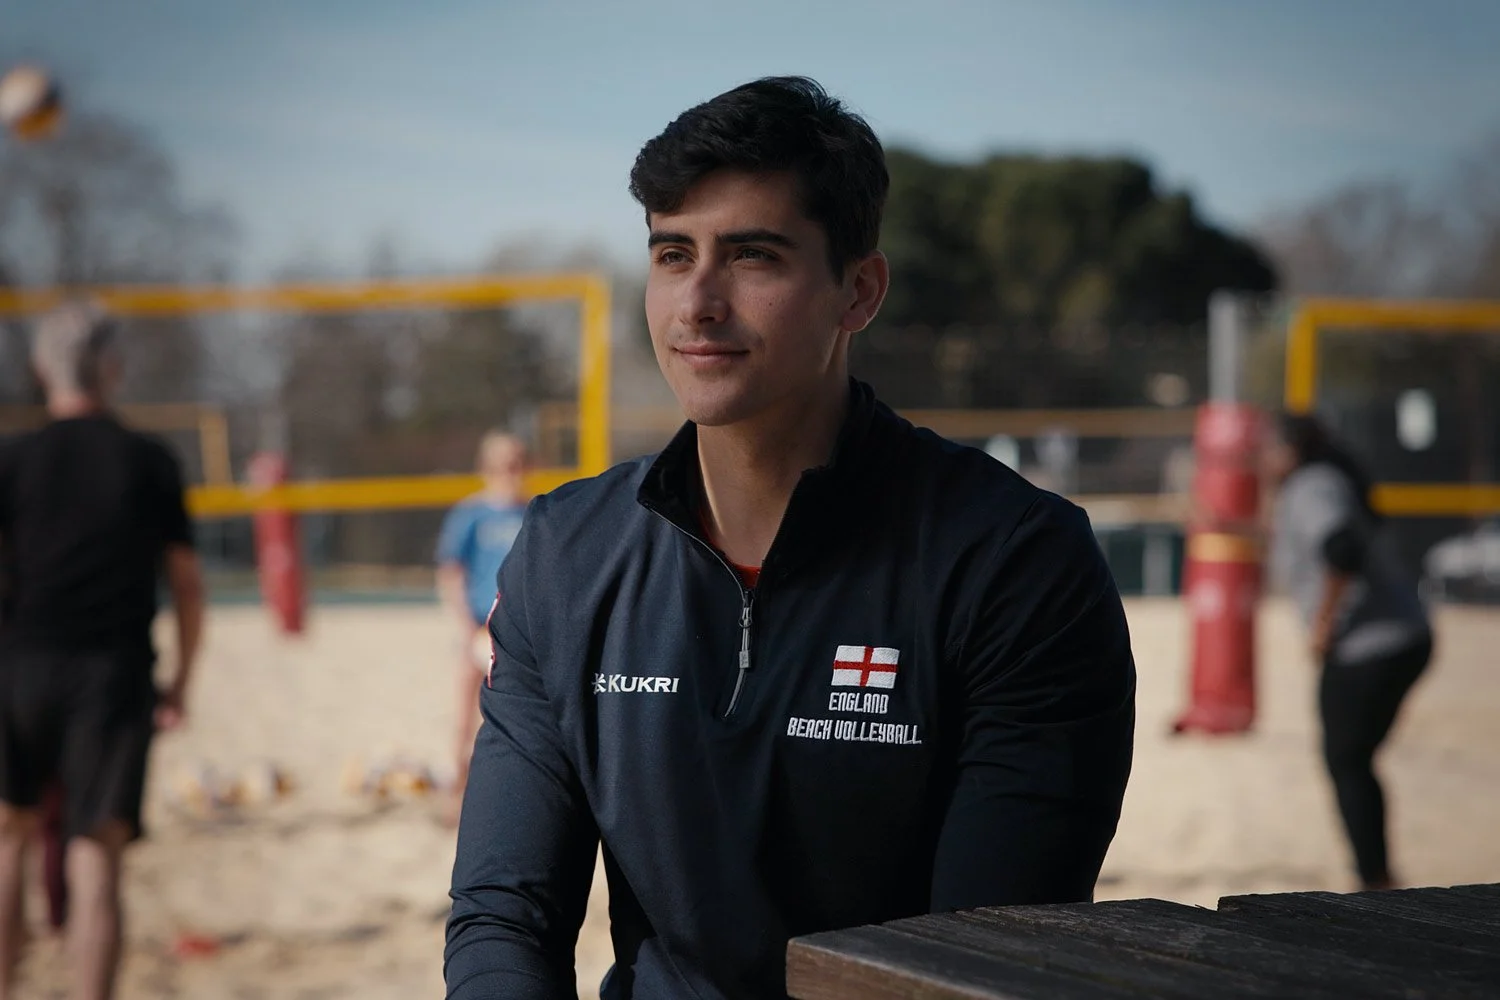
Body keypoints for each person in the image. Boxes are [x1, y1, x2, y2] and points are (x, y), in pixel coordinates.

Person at [446, 77, 1136, 1000]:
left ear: (859, 290)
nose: (696, 302)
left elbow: (984, 965)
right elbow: (504, 918)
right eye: (671, 254)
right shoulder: (568, 554)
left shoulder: (1014, 562)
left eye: (753, 256)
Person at [0, 302, 205, 1000]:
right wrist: (182, 681)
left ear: (39, 369)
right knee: (96, 857)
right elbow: (186, 586)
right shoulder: (148, 461)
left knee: (9, 841)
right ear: (113, 369)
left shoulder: (12, 459)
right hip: (112, 675)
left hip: (17, 665)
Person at [1265, 413, 1433, 892]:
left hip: (1370, 645)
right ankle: (1377, 874)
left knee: (1347, 760)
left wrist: (1322, 624)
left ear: (1290, 451)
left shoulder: (1311, 485)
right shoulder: (1322, 481)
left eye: (1268, 447)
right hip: (1402, 636)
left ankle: (1376, 880)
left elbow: (1341, 550)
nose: (1261, 458)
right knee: (1353, 759)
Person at [434, 431, 528, 823]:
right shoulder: (471, 514)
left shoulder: (535, 513)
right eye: (502, 464)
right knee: (463, 717)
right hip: (478, 628)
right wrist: (465, 625)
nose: (510, 472)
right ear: (486, 469)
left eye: (517, 463)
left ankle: (506, 800)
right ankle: (454, 797)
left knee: (515, 718)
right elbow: (451, 572)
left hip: (520, 635)